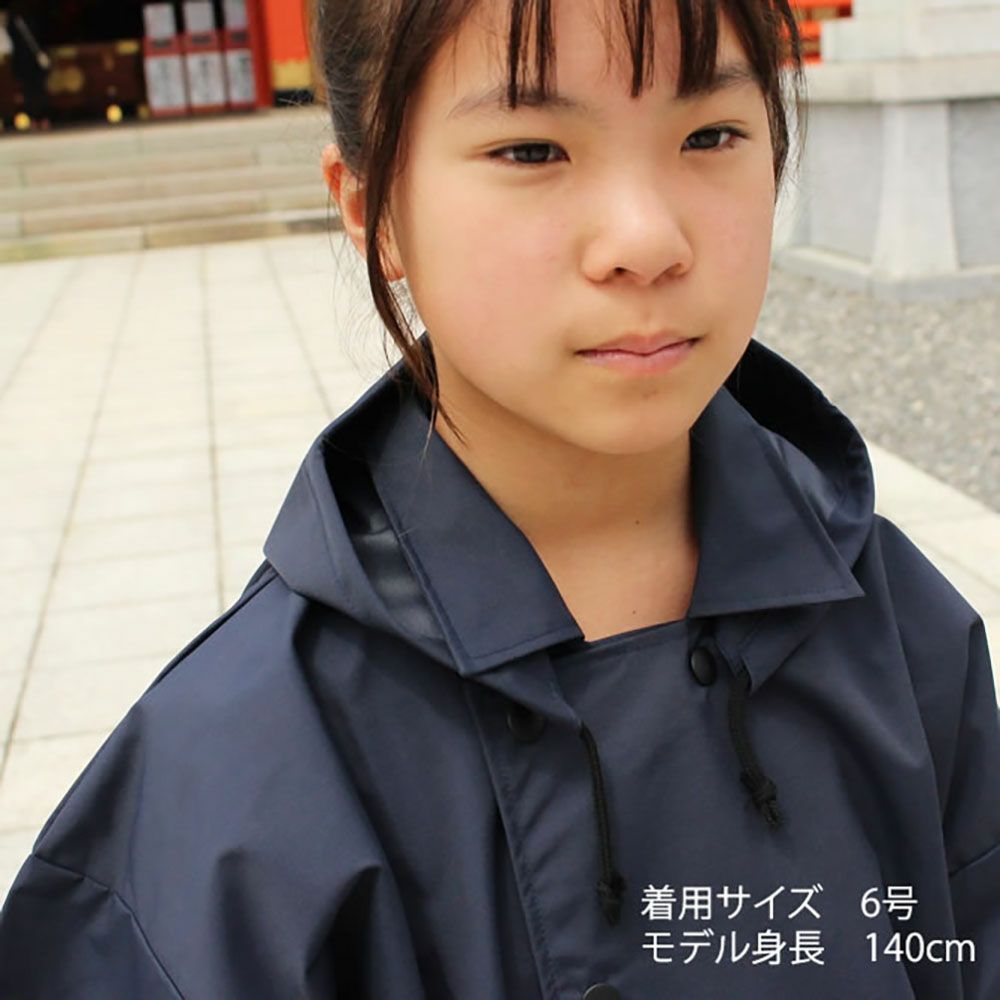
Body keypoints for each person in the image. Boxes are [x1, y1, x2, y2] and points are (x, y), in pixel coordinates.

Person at [1, 0, 997, 996]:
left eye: (709, 136)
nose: (647, 239)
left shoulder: (904, 634)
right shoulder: (228, 792)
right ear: (372, 208)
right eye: (531, 150)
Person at [8, 0, 51, 131]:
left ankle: (42, 117)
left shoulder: (34, 17)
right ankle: (33, 118)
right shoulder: (12, 21)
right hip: (23, 62)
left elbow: (41, 37)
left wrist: (43, 53)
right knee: (28, 92)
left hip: (36, 58)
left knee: (40, 90)